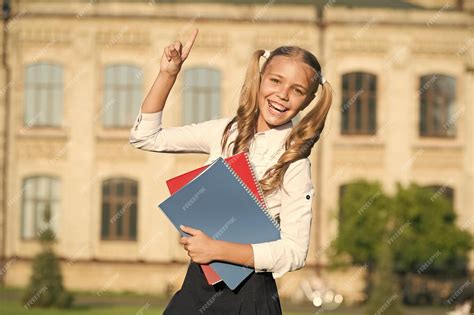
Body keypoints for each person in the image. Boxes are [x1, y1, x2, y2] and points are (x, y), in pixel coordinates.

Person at [129, 28, 333, 315]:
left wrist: (217, 250)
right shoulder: (225, 131)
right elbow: (145, 136)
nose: (283, 95)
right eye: (275, 81)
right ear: (260, 78)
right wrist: (168, 75)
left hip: (248, 295)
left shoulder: (295, 161)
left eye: (297, 90)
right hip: (199, 282)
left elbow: (294, 253)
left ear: (308, 100)